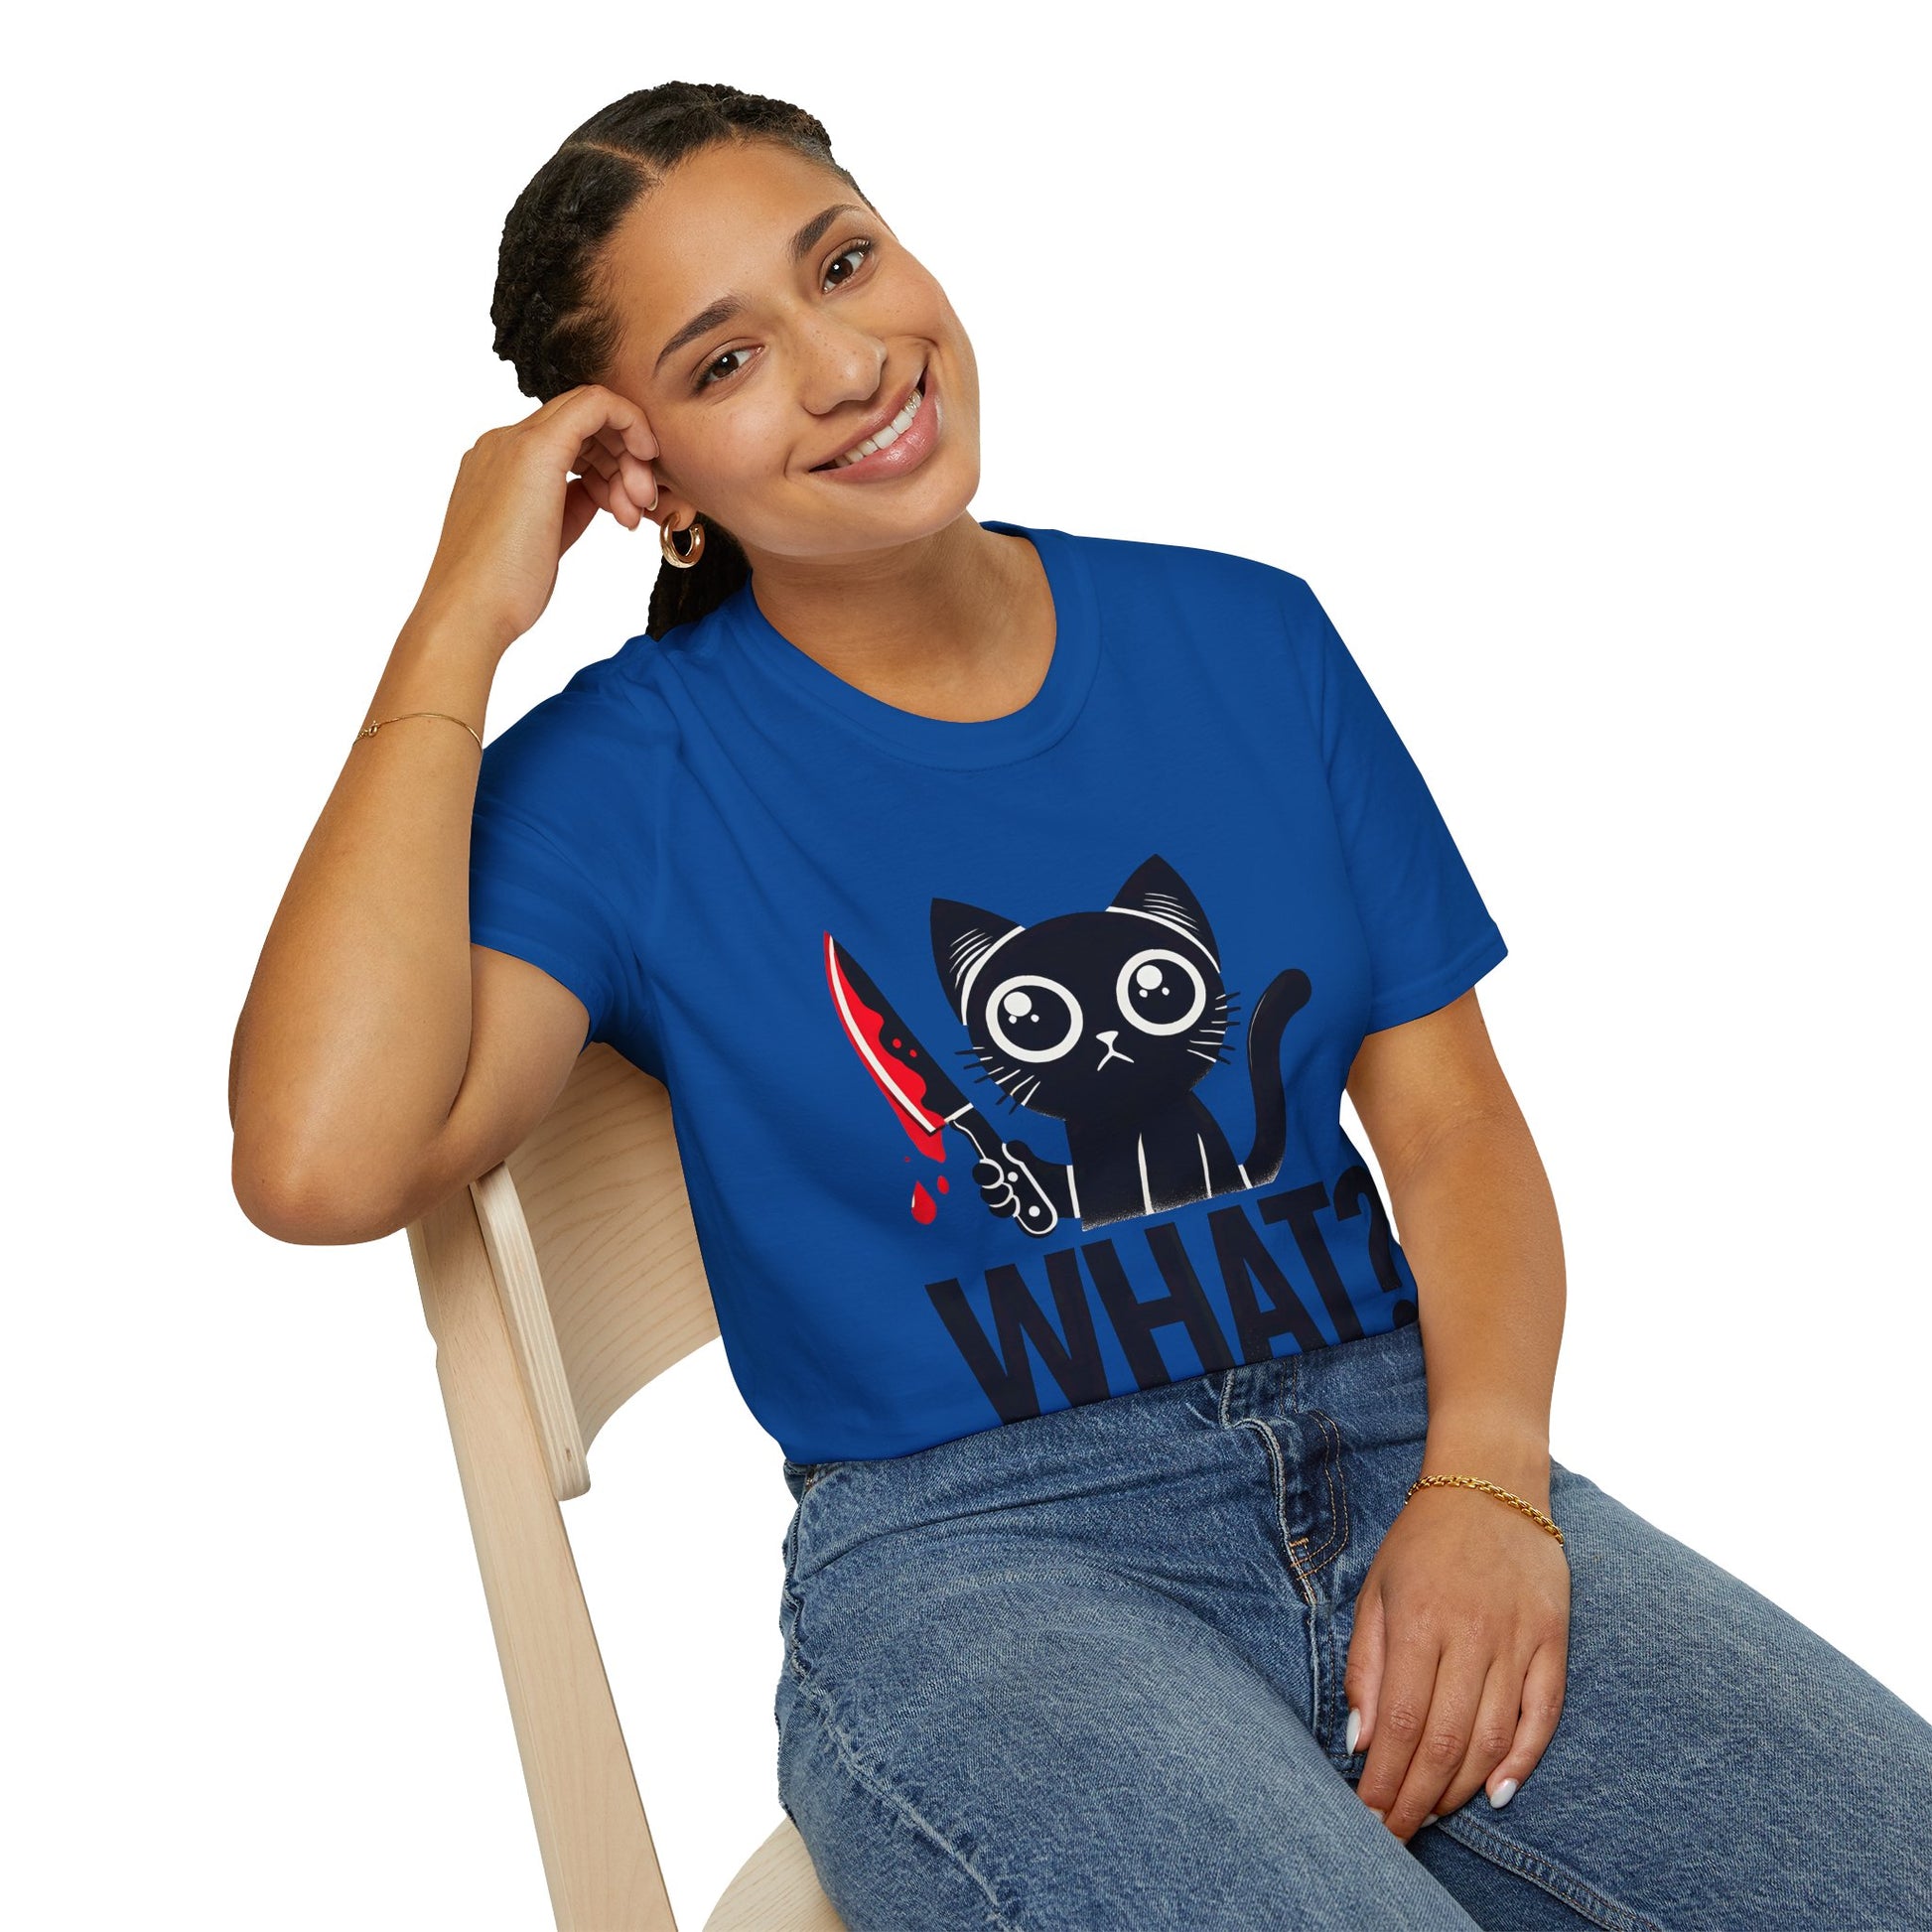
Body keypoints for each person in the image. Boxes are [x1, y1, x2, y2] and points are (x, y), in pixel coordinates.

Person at [228, 80, 1932, 1931]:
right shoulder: (630, 776)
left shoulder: (1248, 639)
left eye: (843, 264)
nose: (846, 365)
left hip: (1404, 1446)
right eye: (725, 361)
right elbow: (319, 1161)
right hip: (983, 1565)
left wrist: (1489, 1483)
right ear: (651, 482)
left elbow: (1452, 1130)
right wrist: (458, 618)